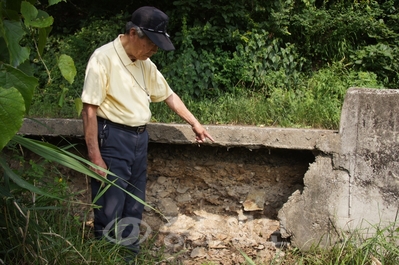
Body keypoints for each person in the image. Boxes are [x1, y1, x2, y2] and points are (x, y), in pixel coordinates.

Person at [81, 5, 214, 258]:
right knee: (110, 207)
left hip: (140, 139)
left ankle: (128, 258)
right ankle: (106, 258)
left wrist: (194, 123)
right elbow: (89, 110)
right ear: (133, 33)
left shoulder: (145, 64)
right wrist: (95, 157)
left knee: (134, 204)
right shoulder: (103, 58)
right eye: (151, 43)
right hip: (112, 138)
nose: (154, 50)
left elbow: (168, 95)